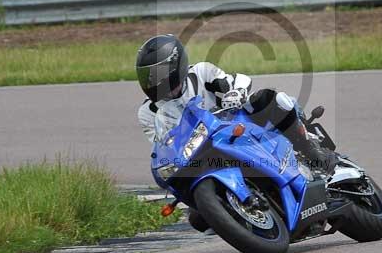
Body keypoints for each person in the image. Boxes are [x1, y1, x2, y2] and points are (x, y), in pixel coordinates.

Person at [135, 34, 338, 174]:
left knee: (269, 99)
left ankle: (310, 148)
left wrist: (235, 93)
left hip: (237, 128)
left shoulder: (200, 72)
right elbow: (162, 147)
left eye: (159, 73)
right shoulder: (147, 112)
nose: (155, 81)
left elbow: (238, 80)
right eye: (149, 76)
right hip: (202, 153)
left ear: (176, 65)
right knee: (199, 220)